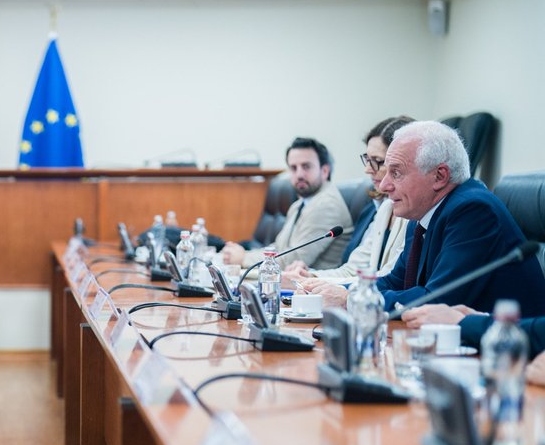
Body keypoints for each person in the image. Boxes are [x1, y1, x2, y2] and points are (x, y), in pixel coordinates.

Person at [365, 121, 545, 316]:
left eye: (396, 173)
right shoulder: (420, 217)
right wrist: (345, 292)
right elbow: (394, 281)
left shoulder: (473, 212)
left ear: (440, 176)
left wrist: (356, 301)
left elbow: (436, 302)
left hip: (508, 342)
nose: (383, 186)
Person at [289, 116, 414, 303]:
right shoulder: (386, 208)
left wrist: (338, 292)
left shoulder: (413, 214)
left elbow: (387, 279)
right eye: (367, 160)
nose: (368, 170)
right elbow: (352, 270)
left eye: (377, 161)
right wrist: (311, 278)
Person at [221, 137, 352, 272]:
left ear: (324, 171)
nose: (299, 174)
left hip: (313, 287)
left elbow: (293, 260)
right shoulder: (299, 205)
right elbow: (279, 248)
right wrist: (242, 255)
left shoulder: (327, 205)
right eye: (293, 168)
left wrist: (243, 259)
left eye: (306, 166)